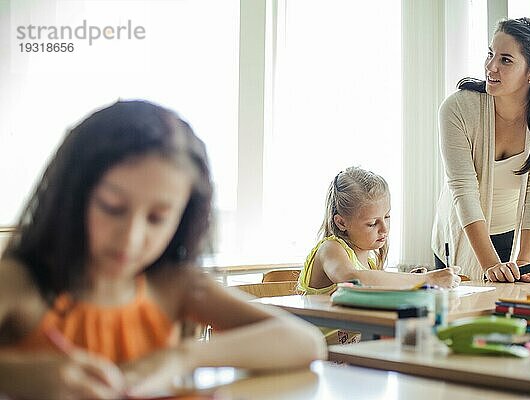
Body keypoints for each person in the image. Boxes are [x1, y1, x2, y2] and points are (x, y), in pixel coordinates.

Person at [0, 100, 326, 399]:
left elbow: (305, 342)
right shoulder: (20, 281)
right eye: (112, 207)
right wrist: (20, 375)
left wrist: (183, 357)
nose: (131, 238)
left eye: (158, 218)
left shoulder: (175, 285)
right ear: (72, 197)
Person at [432, 17, 530, 283]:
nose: (490, 66)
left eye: (505, 60)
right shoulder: (457, 109)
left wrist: (525, 262)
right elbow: (463, 187)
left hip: (508, 231)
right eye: (490, 54)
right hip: (459, 232)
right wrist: (489, 264)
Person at [299, 166, 460, 296]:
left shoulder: (369, 263)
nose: (384, 229)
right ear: (341, 222)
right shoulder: (331, 248)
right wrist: (427, 279)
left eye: (387, 217)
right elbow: (351, 279)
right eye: (372, 223)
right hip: (319, 338)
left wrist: (412, 280)